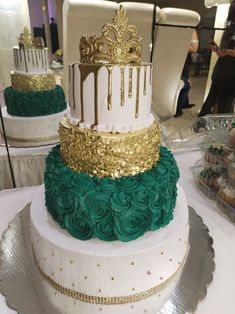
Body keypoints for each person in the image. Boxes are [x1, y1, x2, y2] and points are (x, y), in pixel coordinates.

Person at [198, 0, 235, 117]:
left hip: (232, 71)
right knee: (212, 97)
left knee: (226, 101)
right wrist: (217, 49)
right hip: (222, 68)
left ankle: (222, 127)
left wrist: (226, 52)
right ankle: (205, 122)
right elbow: (221, 52)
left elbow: (227, 51)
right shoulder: (229, 29)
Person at [174, 30, 199, 117]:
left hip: (184, 59)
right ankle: (180, 106)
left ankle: (179, 108)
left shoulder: (192, 31)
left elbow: (194, 48)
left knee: (184, 82)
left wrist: (177, 46)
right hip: (175, 58)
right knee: (181, 82)